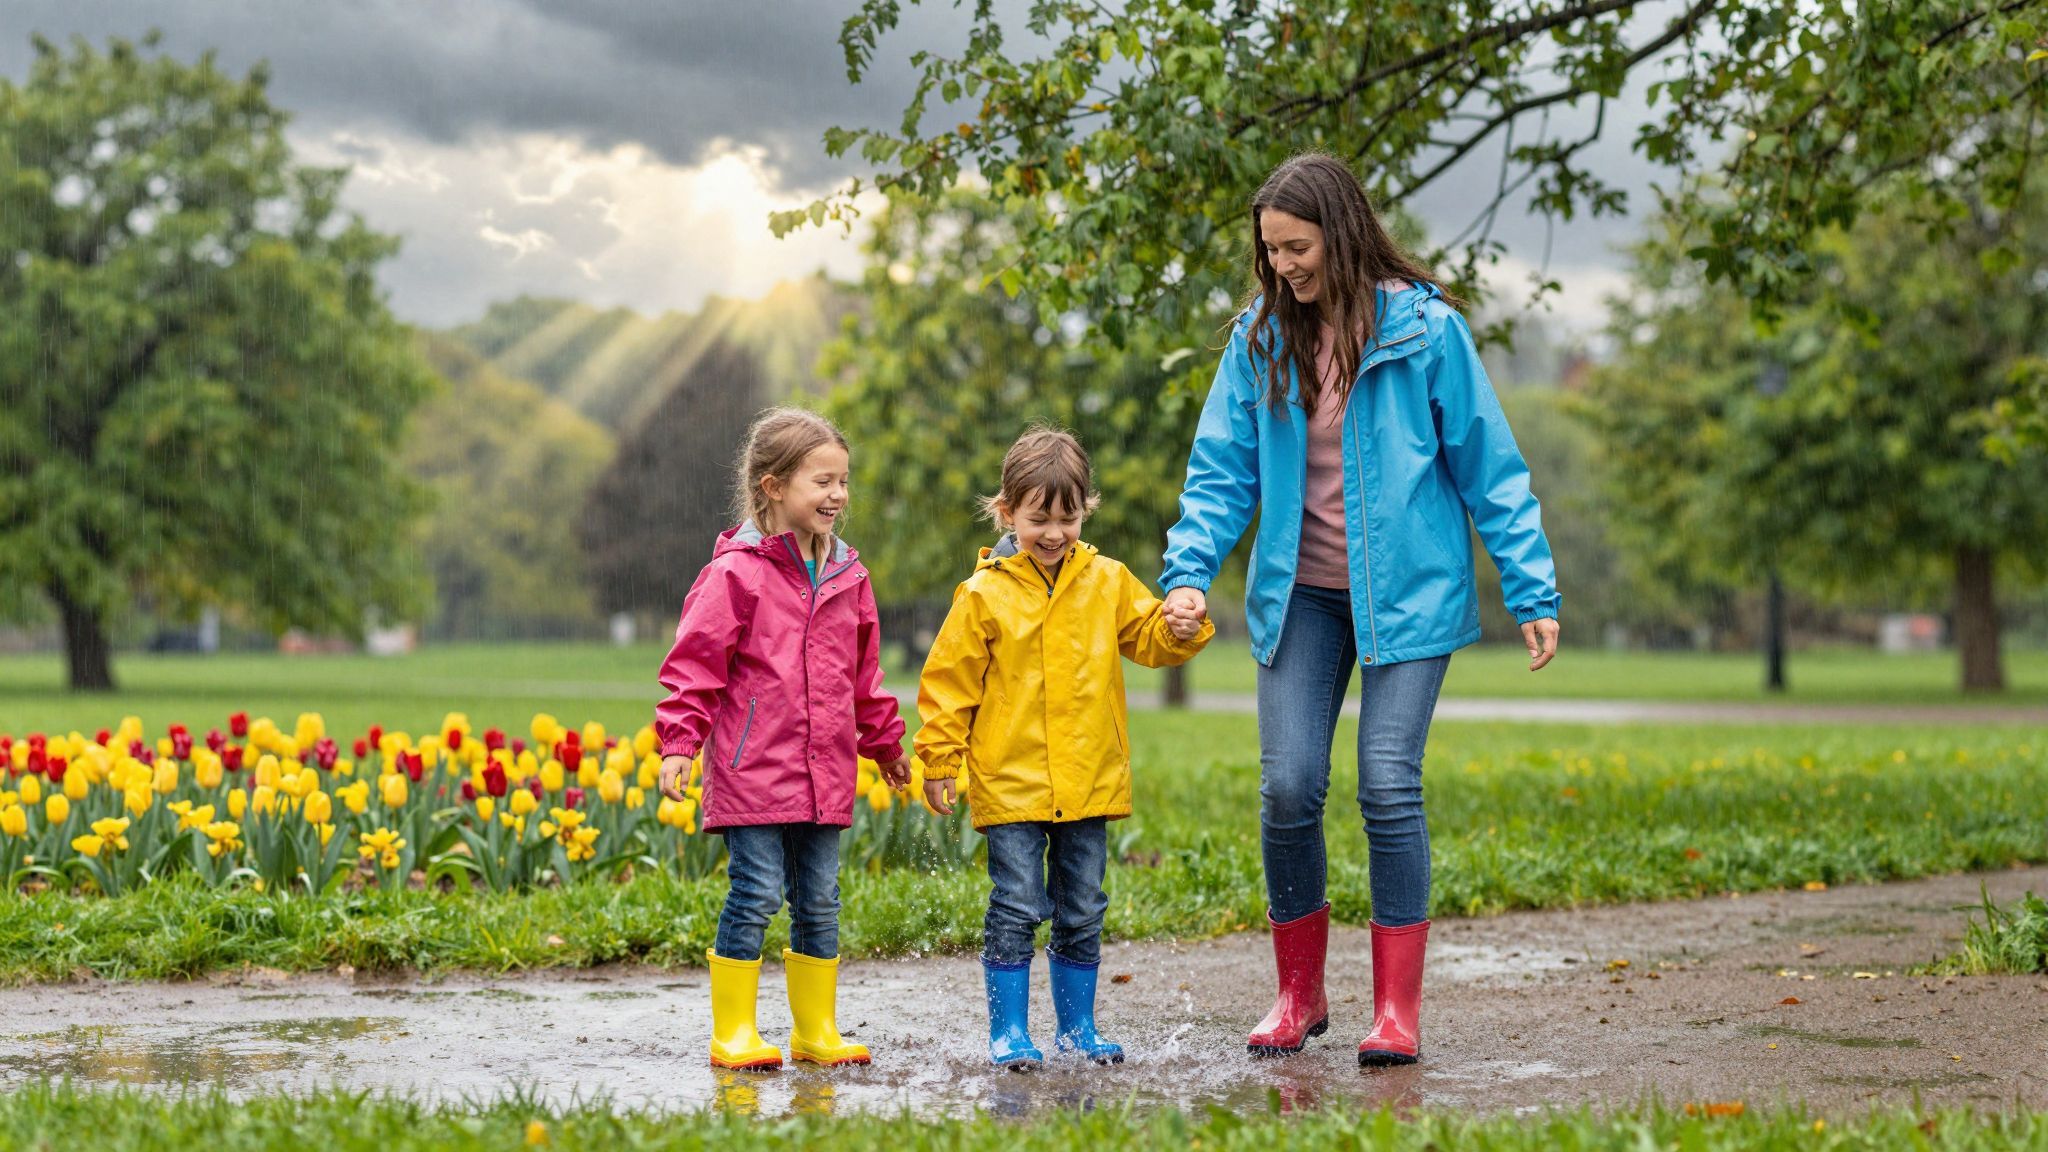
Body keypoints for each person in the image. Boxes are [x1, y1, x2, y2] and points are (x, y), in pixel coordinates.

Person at [1158, 152, 1562, 1066]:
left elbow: (1489, 468)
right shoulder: (1260, 339)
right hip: (1300, 595)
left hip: (1409, 597)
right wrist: (1188, 572)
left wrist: (1531, 586)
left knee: (1387, 782)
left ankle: (1396, 1011)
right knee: (1290, 785)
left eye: (1296, 248)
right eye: (1270, 253)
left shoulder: (1426, 333)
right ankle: (1298, 994)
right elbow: (1219, 473)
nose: (1284, 267)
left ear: (1339, 235)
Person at [917, 427, 1212, 1069]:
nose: (1054, 533)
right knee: (1017, 903)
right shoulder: (982, 595)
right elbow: (949, 683)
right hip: (1011, 784)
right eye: (1038, 518)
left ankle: (1078, 1029)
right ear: (1007, 513)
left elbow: (1151, 640)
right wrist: (938, 759)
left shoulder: (1108, 581)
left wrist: (1182, 623)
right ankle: (1009, 1031)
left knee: (1082, 907)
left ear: (1087, 510)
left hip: (1089, 781)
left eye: (1067, 517)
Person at [654, 407, 911, 1070]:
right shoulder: (736, 573)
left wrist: (885, 746)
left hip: (824, 771)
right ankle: (733, 1031)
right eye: (821, 481)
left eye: (843, 482)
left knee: (820, 900)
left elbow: (866, 678)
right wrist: (680, 743)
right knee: (757, 892)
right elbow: (695, 665)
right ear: (773, 487)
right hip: (753, 771)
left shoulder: (850, 576)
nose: (837, 495)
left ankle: (815, 1030)